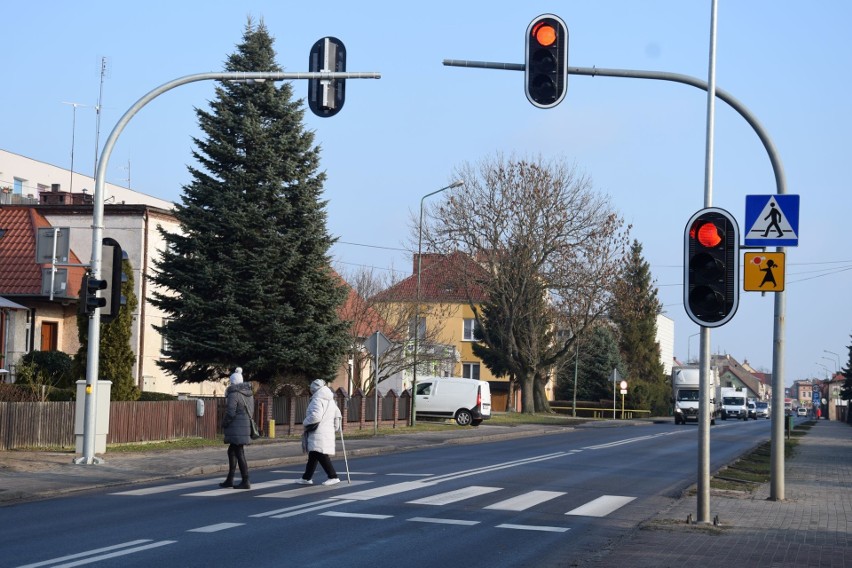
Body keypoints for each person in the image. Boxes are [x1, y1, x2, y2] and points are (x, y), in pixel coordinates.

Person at [298, 379, 342, 486]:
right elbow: (338, 414)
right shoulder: (331, 400)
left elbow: (316, 416)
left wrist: (305, 423)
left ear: (314, 389)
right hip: (327, 431)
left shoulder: (317, 400)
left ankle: (333, 476)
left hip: (318, 432)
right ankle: (306, 478)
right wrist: (336, 427)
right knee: (313, 454)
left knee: (320, 454)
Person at [220, 367, 253, 489]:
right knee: (233, 451)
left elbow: (230, 413)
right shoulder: (249, 394)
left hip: (236, 427)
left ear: (232, 382)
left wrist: (224, 423)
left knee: (239, 452)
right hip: (244, 426)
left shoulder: (234, 394)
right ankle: (230, 479)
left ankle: (245, 480)